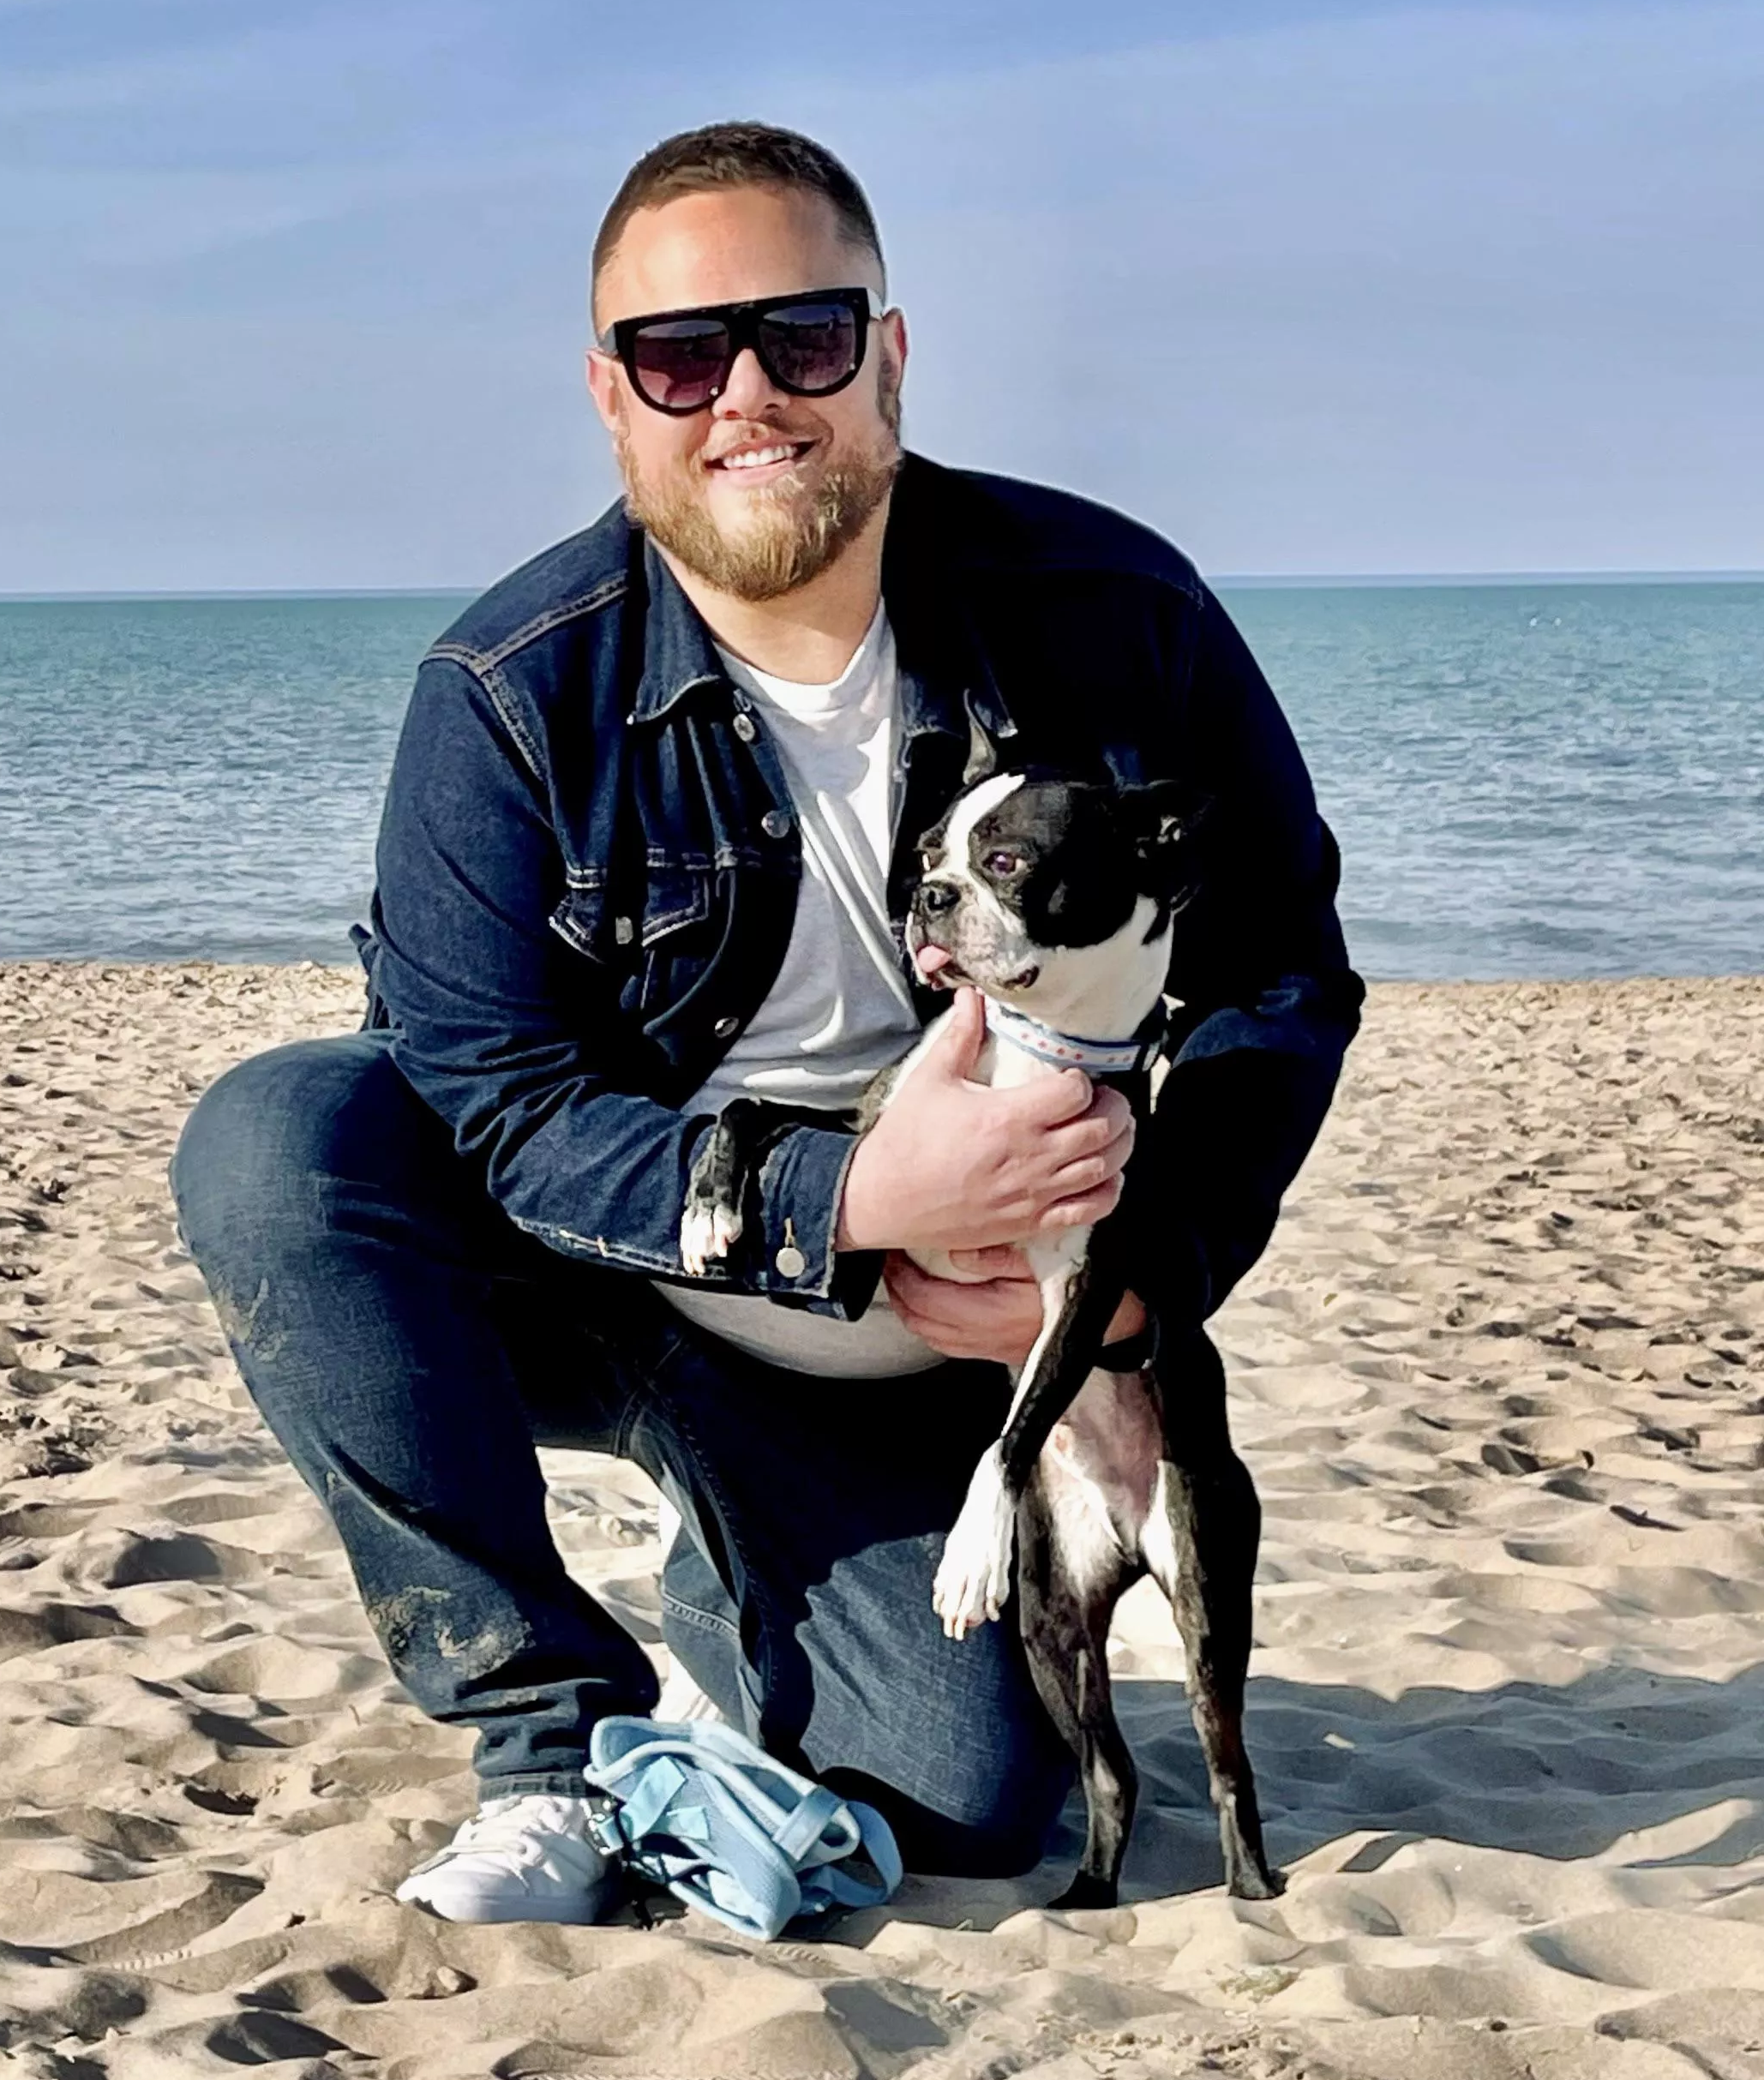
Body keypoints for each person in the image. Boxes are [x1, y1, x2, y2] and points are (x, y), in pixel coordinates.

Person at [171, 122, 1360, 1923]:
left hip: (938, 1360)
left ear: (885, 352)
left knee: (964, 1801)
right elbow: (493, 1098)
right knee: (279, 1141)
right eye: (676, 355)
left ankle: (740, 1546)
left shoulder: (1111, 618)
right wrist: (849, 1205)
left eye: (799, 338)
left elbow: (1277, 963)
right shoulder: (508, 694)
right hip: (605, 1271)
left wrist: (1153, 1264)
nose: (743, 396)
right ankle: (547, 1737)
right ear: (606, 393)